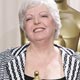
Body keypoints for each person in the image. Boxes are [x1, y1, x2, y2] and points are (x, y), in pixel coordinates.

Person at [0, 0, 80, 80]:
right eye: (29, 18)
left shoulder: (77, 61)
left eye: (43, 16)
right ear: (24, 28)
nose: (36, 22)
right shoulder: (3, 61)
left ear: (55, 23)